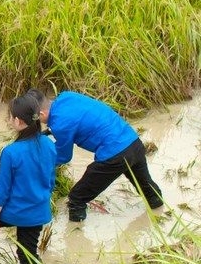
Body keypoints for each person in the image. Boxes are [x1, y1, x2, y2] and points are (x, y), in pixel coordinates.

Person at [35, 90, 163, 222]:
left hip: (114, 156)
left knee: (76, 198)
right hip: (133, 143)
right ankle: (158, 216)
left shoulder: (60, 124)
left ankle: (75, 232)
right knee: (149, 190)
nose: (41, 123)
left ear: (41, 114)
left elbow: (64, 156)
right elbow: (78, 116)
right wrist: (51, 131)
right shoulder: (67, 96)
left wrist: (40, 166)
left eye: (38, 119)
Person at [0, 91, 56, 264]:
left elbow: (2, 193)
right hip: (39, 211)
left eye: (9, 117)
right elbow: (51, 181)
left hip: (17, 211)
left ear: (17, 121)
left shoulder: (11, 152)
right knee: (27, 254)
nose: (8, 120)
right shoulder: (50, 145)